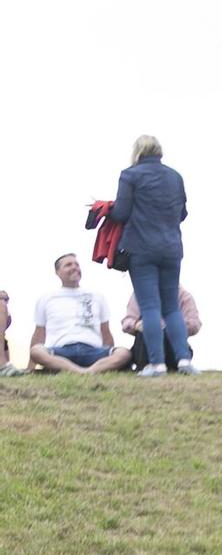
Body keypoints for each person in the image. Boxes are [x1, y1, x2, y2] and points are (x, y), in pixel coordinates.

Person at [111, 135, 195, 377]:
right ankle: (184, 361)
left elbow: (121, 212)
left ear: (137, 151)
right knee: (172, 307)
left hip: (142, 248)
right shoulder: (175, 176)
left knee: (149, 306)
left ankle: (156, 363)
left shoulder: (130, 175)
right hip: (171, 248)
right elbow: (183, 213)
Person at [28, 254, 130, 374]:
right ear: (58, 272)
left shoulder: (96, 296)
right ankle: (81, 371)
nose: (75, 267)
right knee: (36, 351)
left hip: (93, 350)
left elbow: (105, 331)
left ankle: (88, 371)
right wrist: (31, 365)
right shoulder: (46, 298)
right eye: (68, 265)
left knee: (124, 353)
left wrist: (108, 353)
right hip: (60, 351)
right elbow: (39, 333)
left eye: (77, 264)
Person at [122, 285, 200, 373]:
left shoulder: (184, 296)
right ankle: (146, 365)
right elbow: (127, 322)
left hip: (172, 347)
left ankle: (178, 363)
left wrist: (176, 326)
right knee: (146, 326)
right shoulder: (139, 294)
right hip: (145, 346)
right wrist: (136, 325)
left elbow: (195, 325)